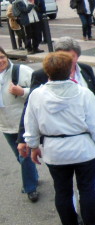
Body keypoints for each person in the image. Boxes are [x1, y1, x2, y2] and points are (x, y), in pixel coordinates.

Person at [24, 52, 95, 225]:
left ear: (47, 71)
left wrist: (33, 146)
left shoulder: (37, 95)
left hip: (55, 151)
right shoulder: (83, 93)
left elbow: (31, 123)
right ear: (70, 69)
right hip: (82, 149)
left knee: (62, 191)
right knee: (87, 189)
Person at [17, 37, 95, 203]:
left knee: (86, 183)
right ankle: (76, 223)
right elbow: (30, 111)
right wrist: (27, 142)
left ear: (78, 56)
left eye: (70, 56)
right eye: (61, 56)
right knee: (64, 189)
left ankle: (89, 200)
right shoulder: (41, 75)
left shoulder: (86, 70)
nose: (65, 61)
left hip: (85, 140)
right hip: (57, 142)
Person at [0, 47, 39, 202]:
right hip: (5, 124)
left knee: (25, 156)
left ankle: (30, 188)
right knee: (20, 156)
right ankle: (33, 176)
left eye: (2, 57)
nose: (1, 61)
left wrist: (22, 91)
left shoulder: (21, 70)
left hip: (23, 123)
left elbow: (40, 90)